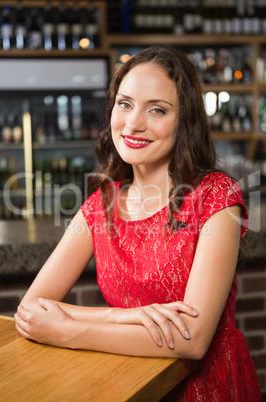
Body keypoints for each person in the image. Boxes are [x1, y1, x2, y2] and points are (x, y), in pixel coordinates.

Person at [14, 45, 262, 401]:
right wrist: (123, 317)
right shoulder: (101, 206)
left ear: (186, 120)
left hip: (208, 389)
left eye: (157, 110)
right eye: (125, 104)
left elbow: (191, 339)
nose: (133, 123)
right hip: (129, 387)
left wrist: (68, 329)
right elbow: (30, 310)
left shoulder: (215, 196)